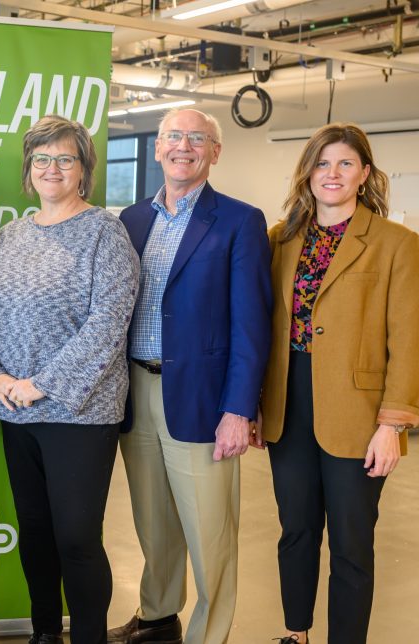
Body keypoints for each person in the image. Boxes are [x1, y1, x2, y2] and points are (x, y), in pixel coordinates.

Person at [0, 115, 139, 644]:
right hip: (16, 412)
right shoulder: (11, 234)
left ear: (84, 169)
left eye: (65, 158)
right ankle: (45, 633)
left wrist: (40, 384)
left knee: (78, 538)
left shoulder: (105, 233)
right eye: (42, 159)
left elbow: (109, 322)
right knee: (36, 534)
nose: (52, 168)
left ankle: (89, 636)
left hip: (78, 415)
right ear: (28, 170)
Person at [259, 123, 419, 644]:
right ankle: (296, 633)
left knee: (352, 542)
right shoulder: (280, 238)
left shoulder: (396, 243)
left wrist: (393, 425)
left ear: (365, 174)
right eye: (322, 163)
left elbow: (408, 339)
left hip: (359, 413)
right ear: (307, 174)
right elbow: (263, 327)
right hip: (290, 405)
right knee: (296, 532)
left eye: (345, 164)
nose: (332, 174)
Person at [108, 108, 272, 644]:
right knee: (153, 522)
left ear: (214, 152)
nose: (184, 146)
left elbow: (252, 325)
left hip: (204, 400)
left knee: (210, 533)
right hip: (136, 390)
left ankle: (209, 634)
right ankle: (158, 618)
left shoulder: (239, 221)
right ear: (157, 148)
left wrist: (239, 409)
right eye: (174, 136)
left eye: (196, 138)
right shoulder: (132, 220)